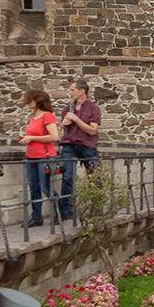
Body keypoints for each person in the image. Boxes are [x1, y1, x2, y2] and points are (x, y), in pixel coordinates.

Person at [57, 78, 102, 221]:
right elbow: (60, 130)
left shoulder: (94, 109)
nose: (70, 92)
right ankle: (66, 212)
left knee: (94, 177)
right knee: (67, 177)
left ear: (82, 91)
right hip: (69, 145)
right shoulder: (67, 108)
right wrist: (63, 124)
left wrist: (76, 120)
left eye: (72, 90)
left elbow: (92, 131)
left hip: (87, 145)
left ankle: (97, 209)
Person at [19, 88, 60, 227]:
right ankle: (36, 217)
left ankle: (58, 212)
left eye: (30, 100)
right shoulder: (32, 117)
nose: (28, 102)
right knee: (34, 187)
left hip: (45, 156)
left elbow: (54, 136)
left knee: (45, 186)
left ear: (38, 100)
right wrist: (26, 138)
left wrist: (31, 138)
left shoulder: (47, 116)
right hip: (31, 156)